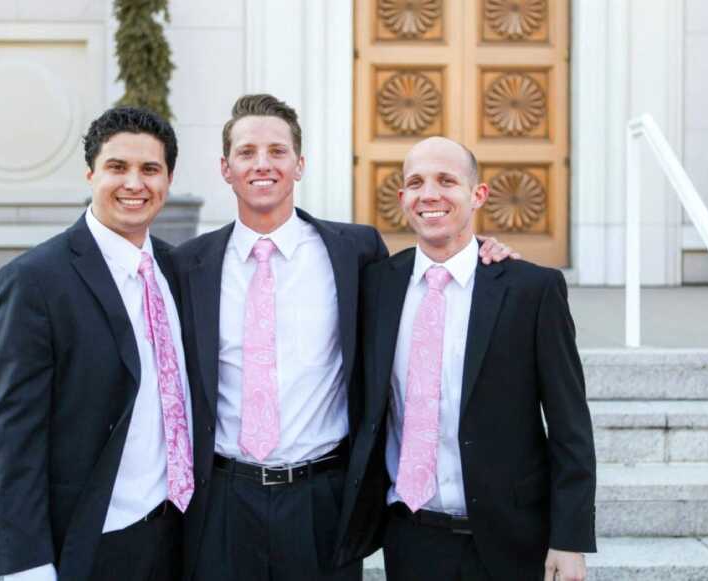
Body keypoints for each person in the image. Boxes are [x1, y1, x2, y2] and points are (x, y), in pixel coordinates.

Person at [171, 95, 514, 581]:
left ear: (300, 164)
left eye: (277, 151)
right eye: (247, 153)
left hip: (322, 499)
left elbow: (432, 272)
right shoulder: (189, 264)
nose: (262, 164)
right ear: (225, 168)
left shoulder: (355, 251)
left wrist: (488, 254)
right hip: (225, 497)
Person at [336, 136, 597, 581]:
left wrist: (569, 538)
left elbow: (570, 425)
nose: (430, 194)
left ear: (478, 195)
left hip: (509, 539)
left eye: (447, 180)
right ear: (402, 199)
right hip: (411, 535)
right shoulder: (377, 285)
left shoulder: (531, 291)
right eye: (416, 182)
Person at [0, 107, 192, 581]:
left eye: (150, 170)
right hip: (95, 540)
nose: (134, 183)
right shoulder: (35, 280)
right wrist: (26, 564)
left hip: (179, 534)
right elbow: (12, 437)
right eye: (117, 167)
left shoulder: (179, 271)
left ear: (169, 179)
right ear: (91, 173)